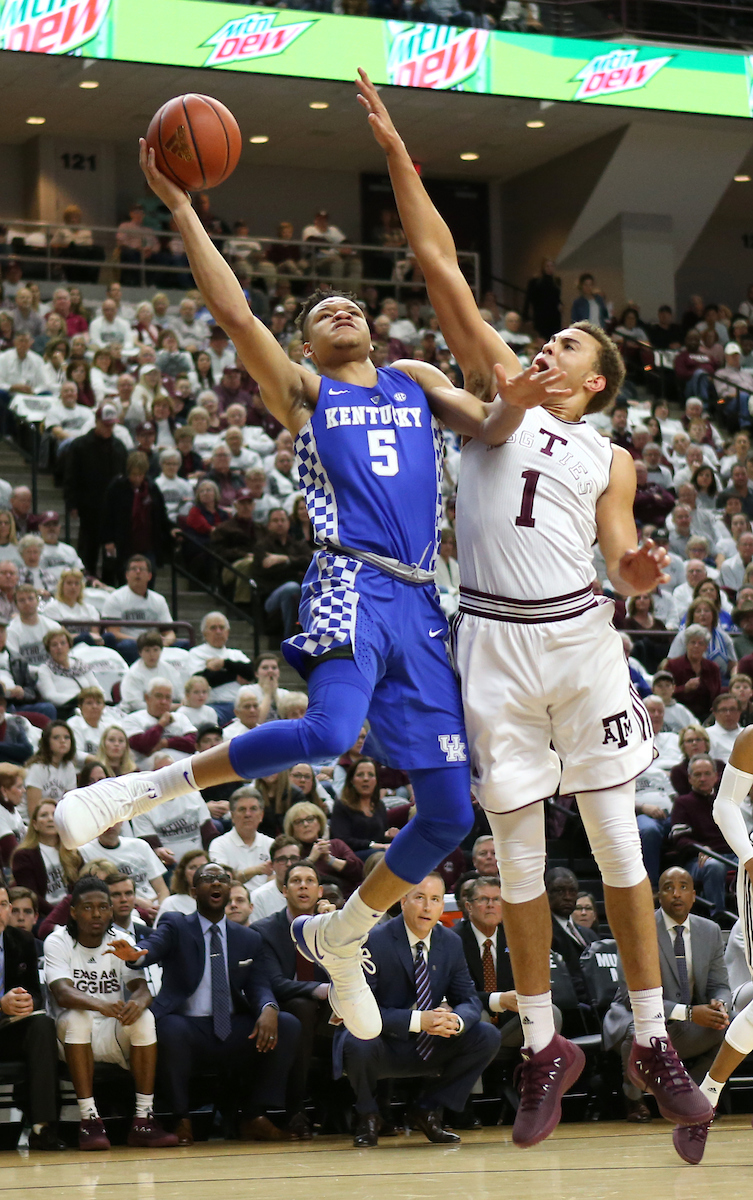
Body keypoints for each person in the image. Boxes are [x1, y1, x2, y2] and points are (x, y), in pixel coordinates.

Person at [55, 130, 571, 1056]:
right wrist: (181, 211)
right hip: (347, 578)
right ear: (306, 343)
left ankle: (340, 937)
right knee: (332, 735)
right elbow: (237, 316)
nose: (338, 309)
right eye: (321, 309)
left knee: (452, 814)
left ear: (373, 330)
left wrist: (525, 390)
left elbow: (493, 422)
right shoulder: (304, 393)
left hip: (424, 600)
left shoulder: (413, 381)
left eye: (350, 304)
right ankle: (147, 785)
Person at [353, 69, 713, 1146]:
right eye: (547, 343)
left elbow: (620, 553)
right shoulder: (499, 393)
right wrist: (399, 156)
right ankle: (547, 1043)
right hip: (495, 647)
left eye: (566, 350)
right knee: (514, 862)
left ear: (595, 383)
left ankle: (651, 1038)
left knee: (614, 846)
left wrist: (642, 576)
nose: (545, 350)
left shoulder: (607, 454)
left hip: (582, 642)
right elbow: (439, 269)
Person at [107, 862, 301, 1144]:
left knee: (288, 1024)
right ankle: (181, 1119)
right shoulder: (176, 924)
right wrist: (135, 954)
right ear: (194, 890)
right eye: (208, 878)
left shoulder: (248, 937)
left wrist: (268, 1009)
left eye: (222, 878)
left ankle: (255, 1116)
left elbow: (259, 985)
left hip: (233, 1026)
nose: (216, 883)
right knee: (170, 1028)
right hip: (188, 1027)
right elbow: (154, 947)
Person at [335, 871, 500, 1147]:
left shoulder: (450, 942)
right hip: (385, 1042)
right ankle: (368, 1115)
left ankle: (428, 1110)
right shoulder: (374, 940)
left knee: (486, 1035)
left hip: (431, 1041)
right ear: (402, 900)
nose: (427, 907)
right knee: (356, 1040)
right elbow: (362, 1009)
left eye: (435, 899)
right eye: (420, 898)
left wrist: (457, 1021)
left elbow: (469, 999)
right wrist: (417, 1020)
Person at [44, 877, 176, 1150]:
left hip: (111, 1032)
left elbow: (143, 987)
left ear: (111, 910)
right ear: (74, 911)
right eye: (88, 907)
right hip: (69, 1035)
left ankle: (143, 1119)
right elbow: (62, 993)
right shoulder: (58, 940)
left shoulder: (121, 940)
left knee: (145, 1018)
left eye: (103, 907)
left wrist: (139, 1002)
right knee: (78, 1017)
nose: (96, 914)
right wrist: (100, 1004)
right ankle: (89, 1120)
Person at [603, 867, 730, 1127]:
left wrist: (720, 1004)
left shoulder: (711, 931)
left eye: (683, 887)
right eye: (668, 888)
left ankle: (692, 1094)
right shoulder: (639, 927)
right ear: (657, 896)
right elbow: (631, 995)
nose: (676, 894)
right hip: (639, 1019)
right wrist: (691, 1013)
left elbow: (720, 984)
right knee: (634, 1029)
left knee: (731, 1026)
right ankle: (633, 1099)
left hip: (686, 1028)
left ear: (694, 896)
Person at [255, 860, 337, 1138]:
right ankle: (296, 1109)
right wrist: (321, 990)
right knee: (302, 1010)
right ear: (284, 891)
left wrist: (338, 928)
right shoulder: (264, 930)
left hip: (328, 1009)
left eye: (310, 881)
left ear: (320, 891)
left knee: (357, 1009)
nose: (303, 885)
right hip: (286, 1007)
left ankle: (361, 1109)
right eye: (296, 881)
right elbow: (274, 982)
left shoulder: (332, 926)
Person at [0, 881, 66, 1150]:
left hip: (8, 1028)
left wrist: (26, 1001)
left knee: (42, 1024)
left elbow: (35, 992)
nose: (1, 911)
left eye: (4, 905)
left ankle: (42, 1127)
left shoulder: (22, 940)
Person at [64, 403, 128, 576]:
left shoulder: (119, 447)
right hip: (89, 507)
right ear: (97, 421)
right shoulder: (80, 445)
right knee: (88, 551)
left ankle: (108, 586)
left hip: (113, 511)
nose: (109, 428)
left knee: (111, 555)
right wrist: (72, 504)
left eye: (112, 425)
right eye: (105, 424)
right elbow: (71, 476)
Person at [99, 555, 175, 663]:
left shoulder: (159, 599)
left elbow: (169, 632)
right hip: (129, 642)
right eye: (134, 569)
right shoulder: (115, 598)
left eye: (142, 569)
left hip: (154, 644)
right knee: (129, 646)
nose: (138, 572)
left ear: (149, 576)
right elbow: (113, 633)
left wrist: (165, 642)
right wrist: (142, 642)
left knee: (182, 645)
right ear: (127, 575)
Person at [12, 800, 81, 916]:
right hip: (42, 915)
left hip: (73, 913)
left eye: (54, 815)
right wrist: (58, 915)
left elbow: (81, 886)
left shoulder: (72, 851)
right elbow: (31, 896)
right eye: (44, 815)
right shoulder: (23, 856)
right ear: (34, 824)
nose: (50, 819)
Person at [283, 802, 363, 895]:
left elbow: (359, 872)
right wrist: (310, 860)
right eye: (299, 822)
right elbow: (288, 878)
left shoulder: (336, 844)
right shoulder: (292, 852)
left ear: (319, 822)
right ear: (292, 829)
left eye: (310, 819)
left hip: (346, 899)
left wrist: (330, 859)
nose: (305, 824)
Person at [330, 757, 401, 857]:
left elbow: (379, 837)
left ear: (376, 781)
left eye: (371, 775)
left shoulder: (379, 806)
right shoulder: (341, 805)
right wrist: (372, 845)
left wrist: (389, 835)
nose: (366, 779)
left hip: (378, 853)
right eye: (360, 775)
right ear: (351, 780)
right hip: (352, 857)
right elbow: (342, 840)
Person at [208, 787, 273, 891]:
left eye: (253, 809)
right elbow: (222, 881)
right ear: (232, 816)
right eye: (242, 809)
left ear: (261, 815)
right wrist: (256, 870)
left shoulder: (271, 844)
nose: (248, 814)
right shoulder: (219, 844)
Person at [35, 628, 100, 720]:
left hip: (91, 705)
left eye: (63, 643)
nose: (59, 647)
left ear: (69, 645)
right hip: (67, 710)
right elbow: (50, 695)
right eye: (54, 645)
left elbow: (96, 687)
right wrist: (78, 700)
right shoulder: (45, 670)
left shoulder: (80, 664)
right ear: (48, 649)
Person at [24, 720, 77, 816]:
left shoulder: (69, 767)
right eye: (56, 738)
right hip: (31, 823)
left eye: (66, 737)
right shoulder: (37, 768)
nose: (62, 741)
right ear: (47, 742)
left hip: (57, 820)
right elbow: (33, 811)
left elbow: (69, 806)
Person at [248, 835, 301, 923]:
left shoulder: (310, 893)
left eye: (293, 858)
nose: (289, 864)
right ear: (272, 865)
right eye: (282, 859)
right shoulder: (259, 897)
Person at [155, 848, 209, 924]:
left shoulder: (221, 899)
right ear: (183, 874)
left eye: (204, 866)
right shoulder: (171, 903)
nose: (199, 871)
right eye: (193, 867)